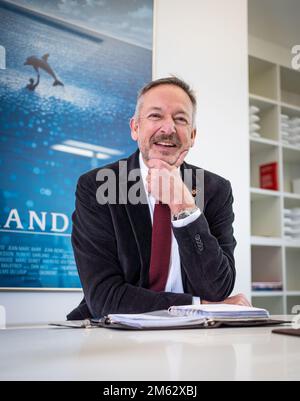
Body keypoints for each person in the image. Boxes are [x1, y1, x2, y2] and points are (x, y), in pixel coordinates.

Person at [68, 77, 250, 320]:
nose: (168, 128)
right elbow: (105, 298)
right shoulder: (98, 186)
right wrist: (198, 305)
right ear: (135, 128)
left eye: (180, 119)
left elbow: (217, 287)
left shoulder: (215, 190)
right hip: (114, 338)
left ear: (192, 135)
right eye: (156, 116)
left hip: (193, 342)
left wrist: (184, 206)